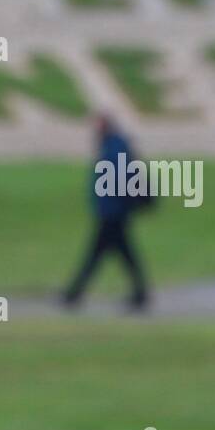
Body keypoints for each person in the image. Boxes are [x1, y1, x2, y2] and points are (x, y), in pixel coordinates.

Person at [62, 114, 150, 311]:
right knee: (122, 255)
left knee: (96, 255)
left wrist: (111, 205)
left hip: (112, 212)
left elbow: (117, 180)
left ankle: (73, 293)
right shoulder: (116, 146)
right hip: (114, 211)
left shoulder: (114, 148)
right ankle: (140, 293)